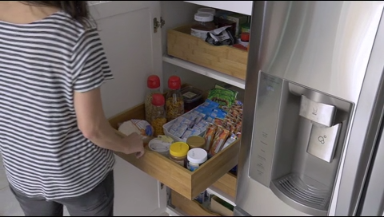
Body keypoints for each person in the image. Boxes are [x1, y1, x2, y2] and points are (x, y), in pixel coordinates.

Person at [0, 1, 145, 216]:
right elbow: (92, 128)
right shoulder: (74, 32)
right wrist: (126, 144)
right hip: (79, 175)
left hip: (23, 172)